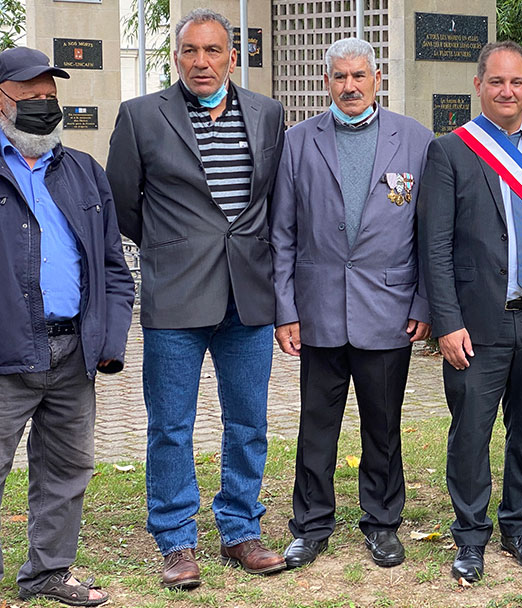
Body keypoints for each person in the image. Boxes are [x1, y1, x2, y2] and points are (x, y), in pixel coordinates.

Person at [106, 8, 287, 589]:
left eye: (212, 50)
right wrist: (174, 247)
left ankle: (240, 528)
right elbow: (125, 207)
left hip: (248, 297)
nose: (201, 62)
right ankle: (177, 541)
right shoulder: (140, 117)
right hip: (176, 296)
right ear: (175, 57)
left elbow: (273, 197)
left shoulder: (267, 113)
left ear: (231, 56)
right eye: (189, 51)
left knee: (249, 422)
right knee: (170, 426)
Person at [417, 40, 522, 583]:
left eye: (516, 82)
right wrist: (447, 322)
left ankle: (520, 527)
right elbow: (434, 246)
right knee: (471, 432)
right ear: (479, 86)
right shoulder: (451, 151)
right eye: (496, 82)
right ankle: (469, 537)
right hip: (476, 322)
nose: (506, 91)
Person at [270, 36, 434, 570]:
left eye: (359, 76)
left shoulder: (415, 140)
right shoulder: (298, 141)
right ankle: (311, 523)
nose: (349, 86)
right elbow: (283, 233)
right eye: (339, 77)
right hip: (318, 309)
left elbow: (430, 233)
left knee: (383, 424)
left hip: (389, 308)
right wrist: (286, 309)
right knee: (317, 423)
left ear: (377, 78)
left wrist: (424, 301)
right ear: (326, 83)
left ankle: (383, 521)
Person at [0, 46, 134, 607]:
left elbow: (112, 267)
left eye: (49, 97)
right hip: (7, 354)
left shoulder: (82, 171)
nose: (43, 106)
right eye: (29, 97)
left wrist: (109, 338)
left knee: (67, 470)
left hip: (72, 353)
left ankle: (48, 572)